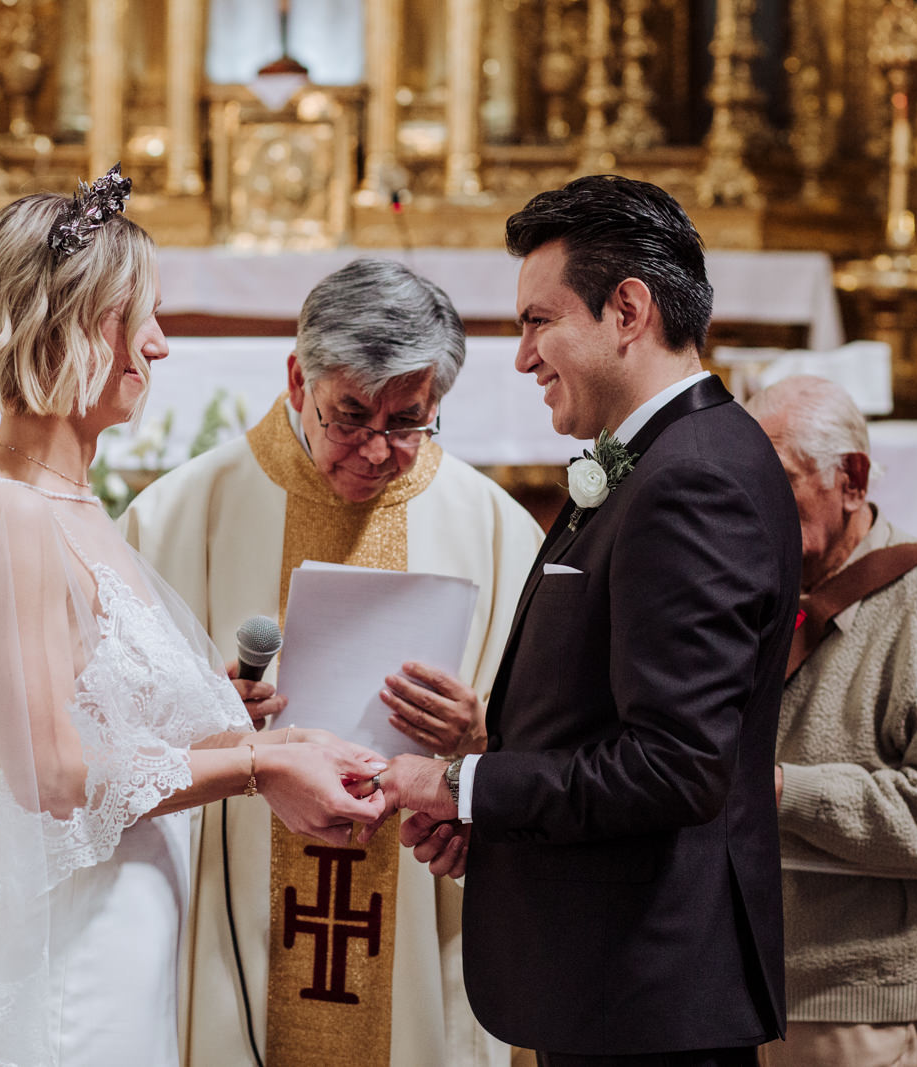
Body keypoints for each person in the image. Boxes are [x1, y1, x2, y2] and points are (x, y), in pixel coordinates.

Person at [0, 167, 388, 1067]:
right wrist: (256, 765)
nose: (159, 346)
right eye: (141, 317)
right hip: (74, 948)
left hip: (128, 929)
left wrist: (229, 721)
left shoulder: (78, 508)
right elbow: (52, 771)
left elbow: (109, 728)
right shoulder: (5, 513)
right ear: (72, 327)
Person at [368, 175, 801, 1066]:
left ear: (628, 309)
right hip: (619, 977)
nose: (523, 356)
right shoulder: (662, 457)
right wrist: (497, 813)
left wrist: (459, 787)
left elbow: (675, 767)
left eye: (538, 320)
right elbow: (602, 718)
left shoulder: (693, 480)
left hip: (646, 989)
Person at [120, 258, 543, 1067]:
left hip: (419, 897)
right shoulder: (180, 516)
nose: (379, 450)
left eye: (409, 422)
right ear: (297, 377)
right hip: (237, 900)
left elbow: (551, 751)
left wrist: (484, 736)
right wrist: (215, 724)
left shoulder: (497, 530)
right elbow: (110, 745)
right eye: (350, 416)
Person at [743, 375, 917, 1067]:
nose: (750, 504)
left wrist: (784, 789)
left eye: (776, 479)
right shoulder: (750, 590)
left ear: (853, 479)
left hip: (858, 997)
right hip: (737, 977)